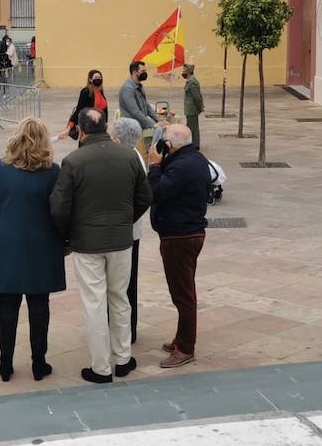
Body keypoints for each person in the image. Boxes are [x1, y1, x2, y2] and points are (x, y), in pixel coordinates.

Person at [50, 108, 152, 383]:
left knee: (95, 303)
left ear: (81, 131)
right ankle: (123, 358)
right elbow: (145, 196)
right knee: (120, 298)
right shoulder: (130, 156)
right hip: (121, 241)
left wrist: (67, 236)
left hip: (87, 243)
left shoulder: (73, 161)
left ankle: (101, 367)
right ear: (106, 127)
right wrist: (124, 220)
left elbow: (59, 207)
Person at [0, 118, 64, 382]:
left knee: (7, 306)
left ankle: (6, 364)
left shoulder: (0, 169)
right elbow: (59, 212)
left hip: (5, 245)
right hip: (41, 246)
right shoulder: (52, 172)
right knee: (39, 306)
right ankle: (39, 363)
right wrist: (64, 241)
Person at [147, 123, 210, 369]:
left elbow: (156, 191)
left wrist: (153, 165)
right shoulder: (193, 159)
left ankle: (185, 348)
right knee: (184, 290)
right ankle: (181, 338)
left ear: (171, 145)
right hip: (187, 233)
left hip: (180, 237)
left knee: (183, 294)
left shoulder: (183, 166)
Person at [110, 117, 147, 344]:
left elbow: (143, 198)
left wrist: (126, 219)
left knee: (124, 284)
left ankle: (126, 331)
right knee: (124, 283)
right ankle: (125, 329)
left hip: (127, 232)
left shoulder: (130, 159)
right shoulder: (134, 157)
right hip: (129, 231)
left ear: (120, 138)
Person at [61, 69, 109, 141]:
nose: (98, 79)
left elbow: (104, 109)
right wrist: (68, 128)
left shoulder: (100, 91)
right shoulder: (86, 92)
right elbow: (79, 110)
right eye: (95, 78)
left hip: (100, 129)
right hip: (88, 130)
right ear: (90, 79)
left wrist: (105, 124)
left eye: (100, 77)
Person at [119, 61, 159, 130]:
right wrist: (153, 125)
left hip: (142, 125)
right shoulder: (127, 89)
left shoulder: (140, 86)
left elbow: (147, 106)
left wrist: (159, 120)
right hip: (132, 129)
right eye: (143, 71)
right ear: (135, 73)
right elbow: (135, 112)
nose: (145, 73)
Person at [182, 64, 204, 150]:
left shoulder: (193, 82)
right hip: (190, 109)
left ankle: (195, 145)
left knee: (193, 128)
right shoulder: (189, 81)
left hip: (192, 109)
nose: (183, 72)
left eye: (184, 71)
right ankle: (194, 144)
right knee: (191, 127)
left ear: (188, 71)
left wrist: (200, 107)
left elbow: (197, 97)